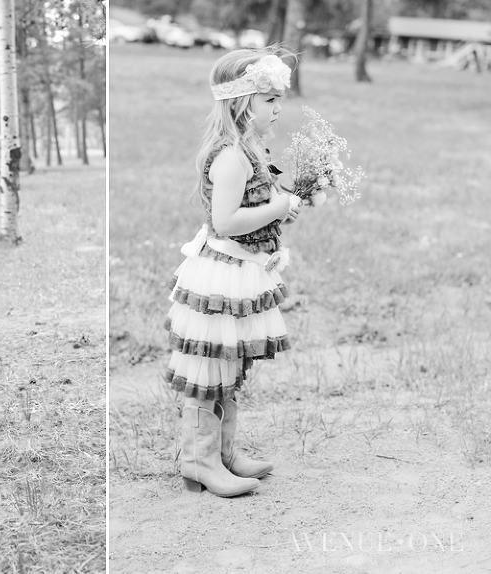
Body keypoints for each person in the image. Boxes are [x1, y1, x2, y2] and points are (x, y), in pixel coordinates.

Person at [164, 47, 302, 497]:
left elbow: (256, 205)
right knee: (209, 367)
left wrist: (281, 207)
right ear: (243, 103)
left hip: (241, 271)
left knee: (229, 363)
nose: (279, 108)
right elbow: (226, 222)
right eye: (270, 100)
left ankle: (224, 453)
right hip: (220, 275)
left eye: (280, 99)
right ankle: (198, 460)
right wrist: (279, 206)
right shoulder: (230, 157)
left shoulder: (252, 150)